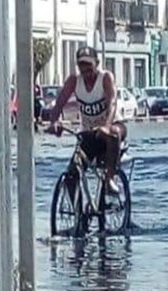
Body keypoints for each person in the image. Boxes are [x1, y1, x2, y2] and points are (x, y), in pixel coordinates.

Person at [47, 46, 127, 193]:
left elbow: (112, 103)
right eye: (82, 68)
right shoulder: (74, 81)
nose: (86, 72)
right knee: (71, 176)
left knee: (114, 133)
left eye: (89, 67)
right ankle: (78, 213)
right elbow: (59, 103)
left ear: (97, 64)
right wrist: (54, 122)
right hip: (90, 133)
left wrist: (106, 126)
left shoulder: (105, 78)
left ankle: (109, 179)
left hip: (112, 126)